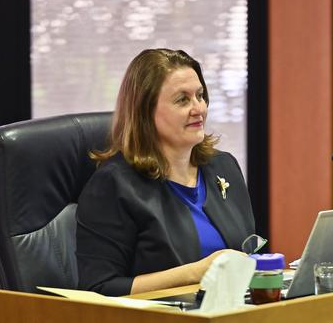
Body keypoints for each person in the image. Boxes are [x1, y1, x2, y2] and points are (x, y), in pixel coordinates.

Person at [76, 48, 255, 296]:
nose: (198, 109)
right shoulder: (113, 185)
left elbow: (248, 254)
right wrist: (195, 272)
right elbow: (99, 288)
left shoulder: (223, 167)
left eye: (200, 96)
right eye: (182, 100)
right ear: (145, 112)